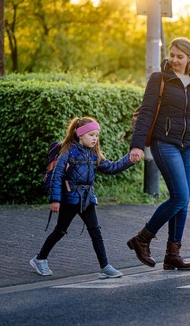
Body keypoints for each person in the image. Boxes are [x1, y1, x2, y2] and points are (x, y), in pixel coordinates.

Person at [128, 37, 190, 270]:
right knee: (179, 196)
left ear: (189, 57)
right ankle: (142, 239)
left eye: (180, 56)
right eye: (172, 55)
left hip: (187, 147)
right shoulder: (160, 79)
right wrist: (136, 145)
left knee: (184, 200)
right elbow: (146, 112)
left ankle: (172, 254)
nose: (175, 60)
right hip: (164, 143)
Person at [30, 117, 137, 279]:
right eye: (91, 135)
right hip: (69, 199)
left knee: (95, 232)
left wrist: (129, 159)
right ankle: (40, 259)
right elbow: (57, 176)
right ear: (80, 135)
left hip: (87, 199)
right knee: (59, 231)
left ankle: (105, 266)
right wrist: (55, 200)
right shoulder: (67, 152)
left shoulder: (94, 154)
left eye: (97, 135)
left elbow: (112, 168)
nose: (95, 138)